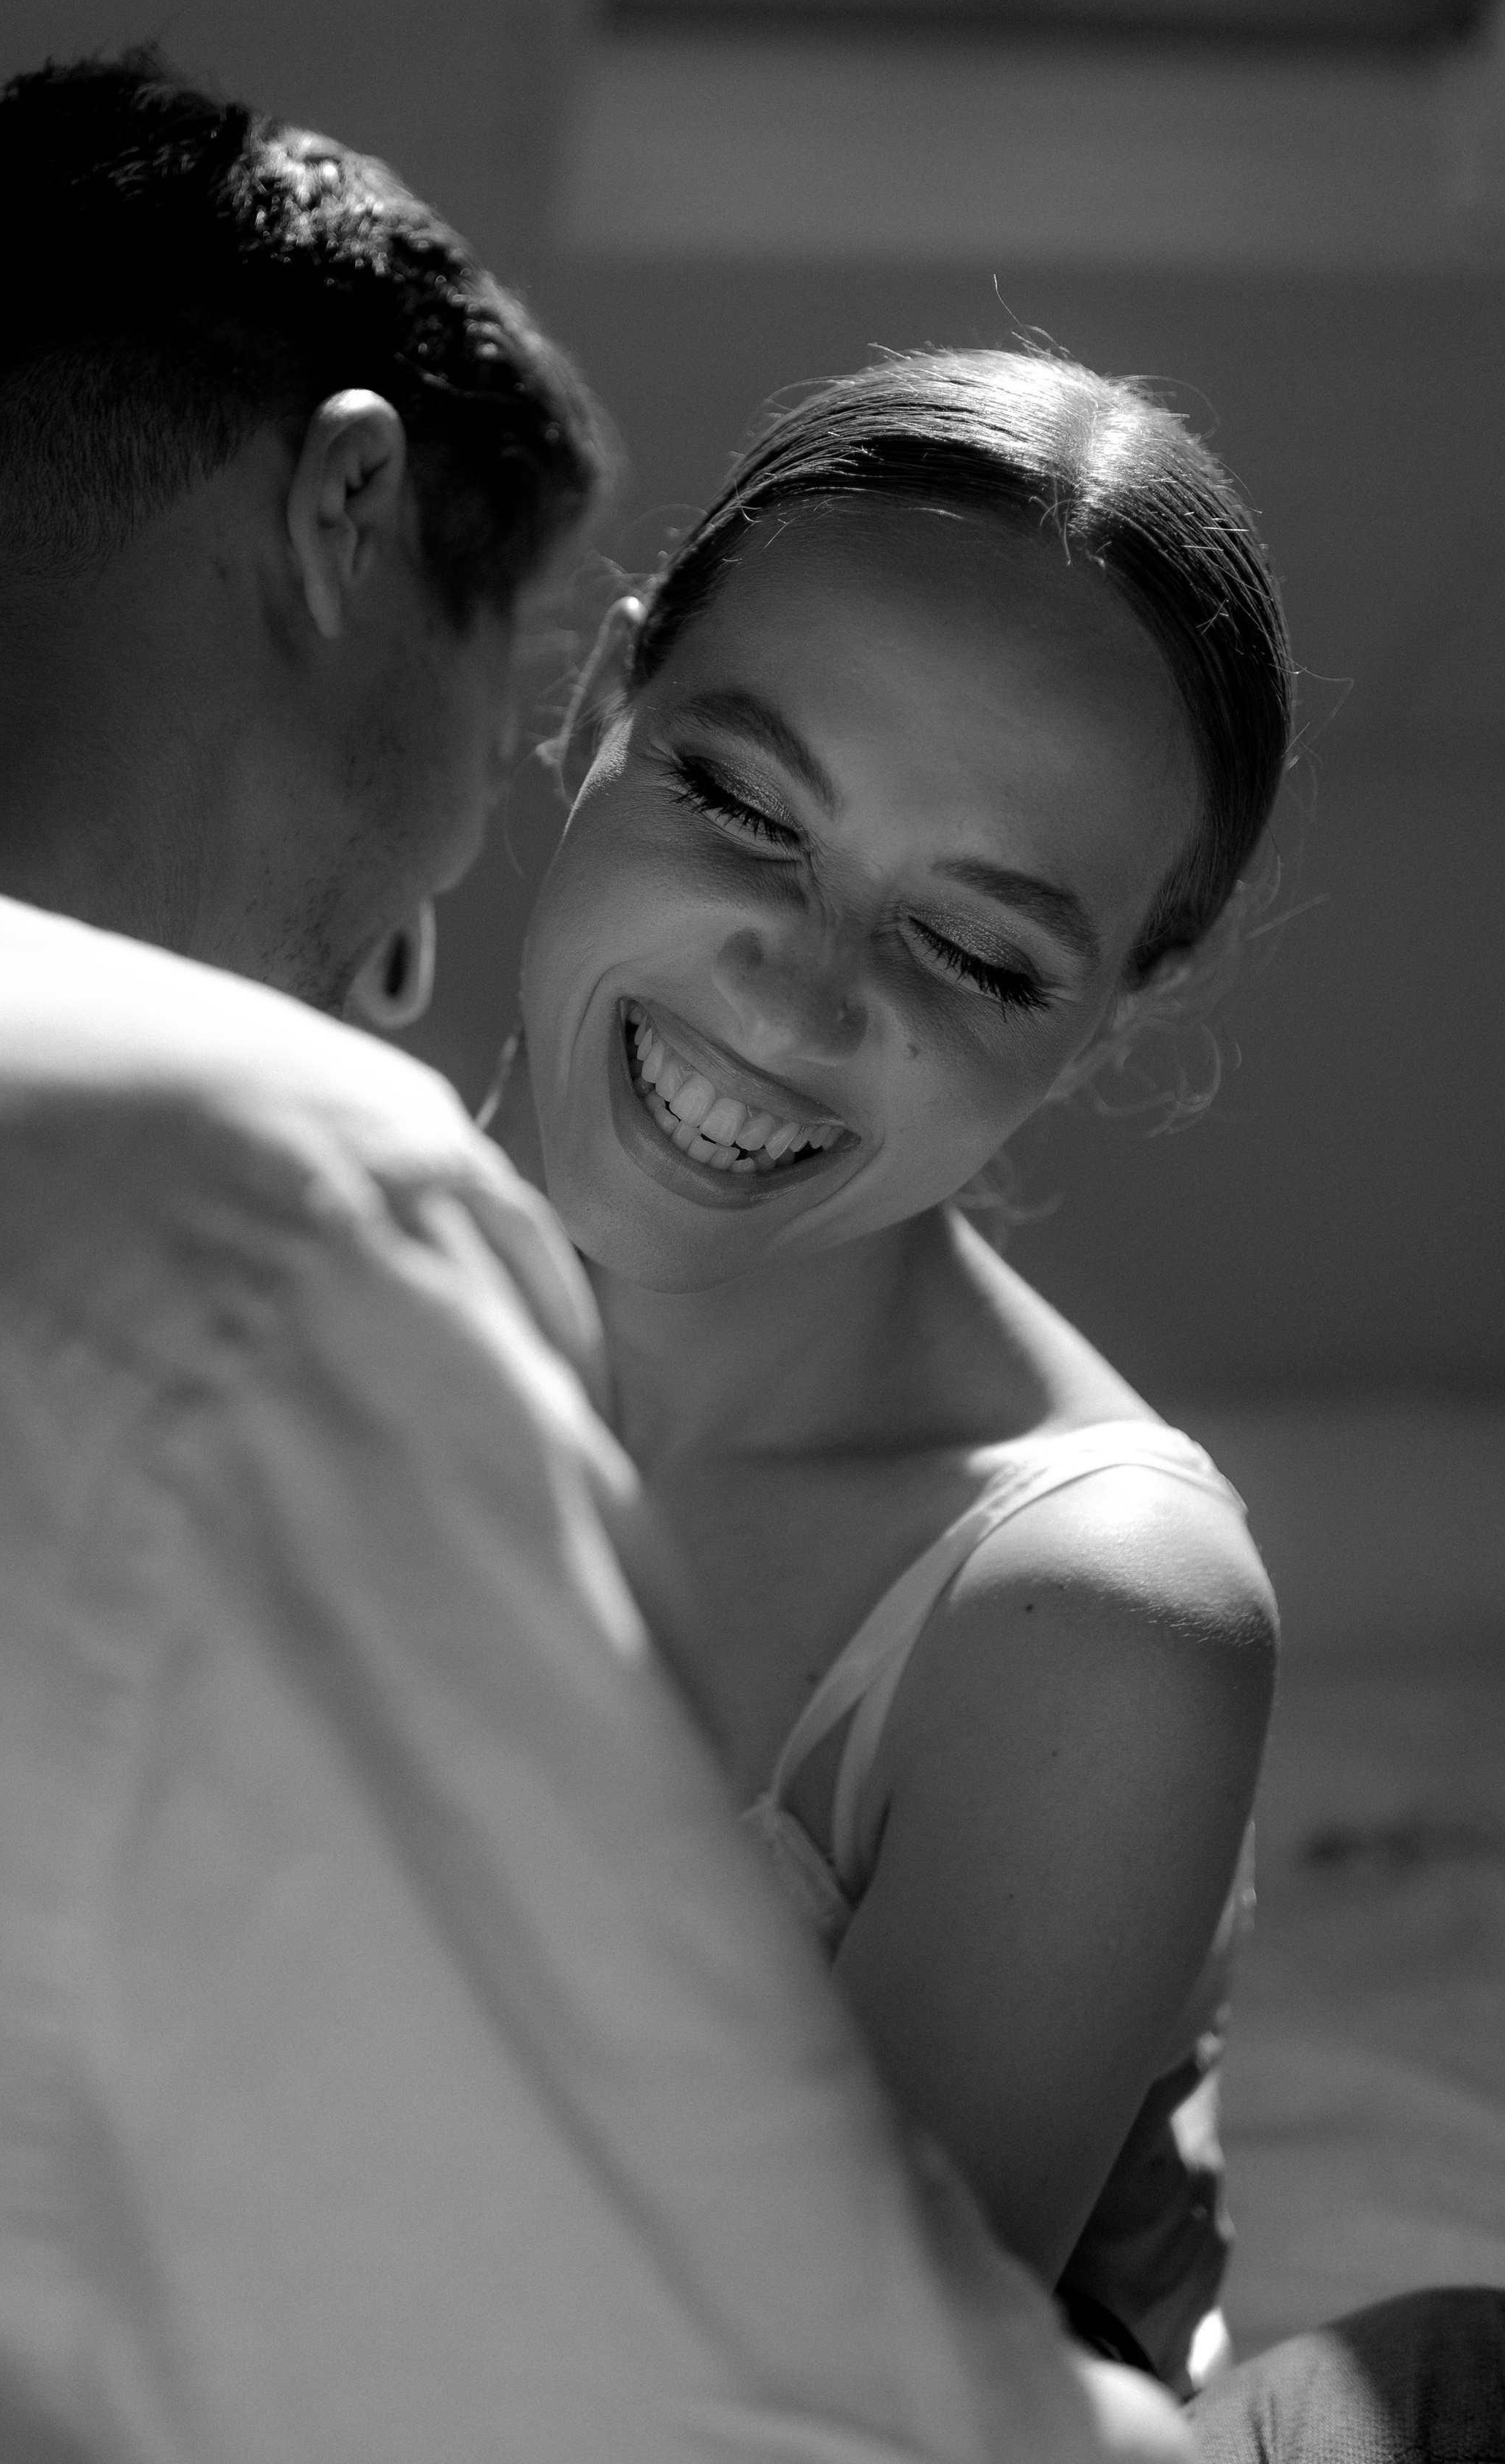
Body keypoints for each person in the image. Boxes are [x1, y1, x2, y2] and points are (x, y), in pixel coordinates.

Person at [0, 56, 1186, 2462]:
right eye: (526, 708)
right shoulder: (276, 1206)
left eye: (981, 950)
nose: (419, 941)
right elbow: (787, 2405)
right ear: (347, 516)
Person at [489, 348, 1291, 2395]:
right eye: (743, 807)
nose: (797, 995)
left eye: (981, 954)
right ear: (602, 701)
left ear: (1110, 1015)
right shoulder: (258, 1253)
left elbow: (802, 2421)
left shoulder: (1094, 1619)